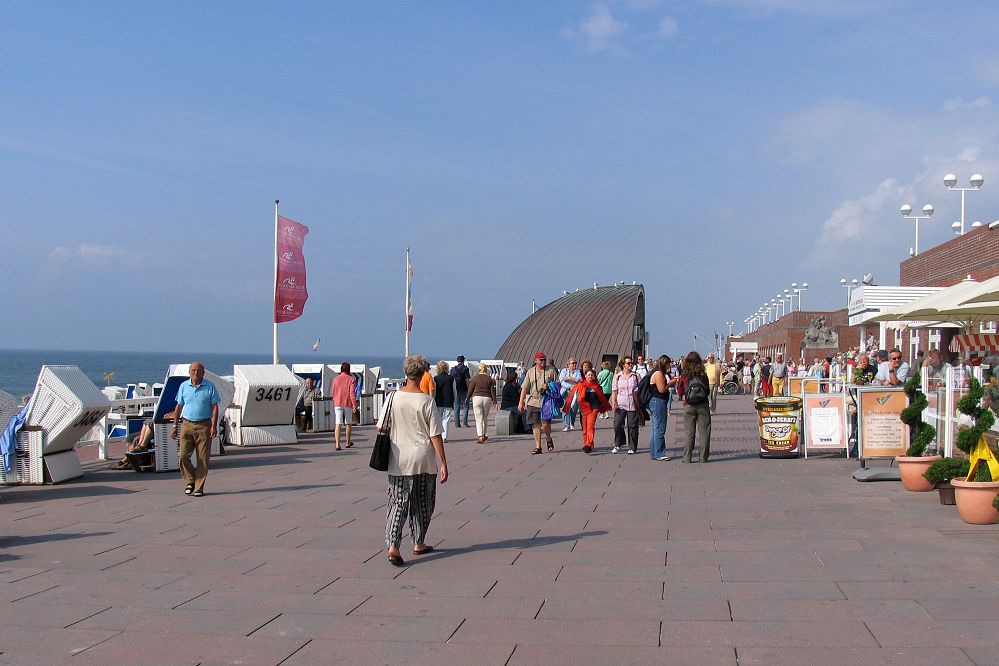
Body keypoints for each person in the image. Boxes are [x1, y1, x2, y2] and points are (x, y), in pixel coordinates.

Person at [383, 354, 448, 567]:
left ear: (406, 373)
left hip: (398, 458)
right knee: (423, 502)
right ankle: (418, 541)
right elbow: (435, 435)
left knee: (397, 502)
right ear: (422, 374)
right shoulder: (427, 401)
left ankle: (393, 545)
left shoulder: (392, 398)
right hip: (423, 459)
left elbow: (380, 427)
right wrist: (443, 463)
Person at [171, 361, 221, 497]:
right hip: (186, 424)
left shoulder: (209, 387)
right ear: (189, 372)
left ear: (203, 373)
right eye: (193, 370)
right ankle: (190, 480)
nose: (196, 373)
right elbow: (178, 406)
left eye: (199, 370)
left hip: (204, 425)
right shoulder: (183, 386)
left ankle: (199, 488)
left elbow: (215, 406)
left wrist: (214, 425)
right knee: (182, 456)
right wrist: (175, 426)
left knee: (202, 458)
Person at [562, 368, 611, 453]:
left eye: (592, 375)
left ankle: (588, 444)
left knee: (590, 427)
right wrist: (568, 406)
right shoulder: (581, 385)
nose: (590, 376)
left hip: (594, 408)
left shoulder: (597, 386)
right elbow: (572, 394)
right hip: (584, 408)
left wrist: (604, 406)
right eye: (588, 375)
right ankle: (587, 444)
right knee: (584, 428)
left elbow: (602, 398)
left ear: (594, 376)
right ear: (585, 376)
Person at [518, 352, 558, 454]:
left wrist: (549, 386)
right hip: (533, 401)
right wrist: (521, 402)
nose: (543, 361)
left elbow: (558, 385)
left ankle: (548, 438)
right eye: (541, 360)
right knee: (535, 424)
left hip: (546, 400)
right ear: (536, 361)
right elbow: (524, 388)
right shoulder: (530, 372)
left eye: (544, 359)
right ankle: (538, 446)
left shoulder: (551, 371)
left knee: (545, 423)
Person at [676, 351, 711, 463]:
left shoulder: (684, 375)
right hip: (703, 405)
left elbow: (680, 391)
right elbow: (707, 390)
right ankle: (703, 457)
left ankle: (687, 458)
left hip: (688, 405)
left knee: (689, 433)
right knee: (704, 432)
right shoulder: (703, 375)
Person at [648, 355, 677, 461]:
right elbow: (661, 390)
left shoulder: (657, 373)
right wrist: (670, 384)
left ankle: (654, 452)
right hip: (658, 401)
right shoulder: (659, 374)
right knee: (660, 428)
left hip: (655, 401)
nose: (669, 366)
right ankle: (660, 453)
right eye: (668, 364)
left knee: (655, 428)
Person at [610, 355, 640, 454]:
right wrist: (613, 401)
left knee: (632, 426)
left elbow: (638, 389)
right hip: (621, 402)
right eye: (628, 363)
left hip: (632, 403)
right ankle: (618, 443)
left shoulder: (635, 376)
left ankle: (632, 447)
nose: (630, 365)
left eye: (631, 363)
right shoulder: (617, 376)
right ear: (623, 365)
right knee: (617, 424)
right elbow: (614, 390)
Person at [466, 363, 498, 443]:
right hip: (487, 398)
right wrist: (495, 402)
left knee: (478, 418)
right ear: (486, 370)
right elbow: (492, 391)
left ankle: (480, 436)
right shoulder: (489, 379)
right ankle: (484, 434)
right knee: (484, 417)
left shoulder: (475, 378)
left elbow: (470, 390)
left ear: (479, 369)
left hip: (477, 398)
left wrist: (467, 398)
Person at [332, 362, 357, 450]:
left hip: (337, 402)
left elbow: (333, 392)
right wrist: (354, 404)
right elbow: (352, 393)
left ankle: (337, 444)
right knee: (348, 423)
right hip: (347, 402)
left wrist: (335, 400)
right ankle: (347, 442)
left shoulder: (335, 379)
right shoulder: (351, 379)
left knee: (338, 423)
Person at [432, 360, 454, 443]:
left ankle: (439, 436)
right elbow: (454, 390)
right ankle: (444, 437)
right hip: (448, 401)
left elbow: (434, 391)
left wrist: (433, 399)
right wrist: (453, 400)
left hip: (438, 401)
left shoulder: (435, 379)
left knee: (439, 419)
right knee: (446, 419)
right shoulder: (451, 378)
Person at [559, 358, 582, 432]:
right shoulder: (564, 371)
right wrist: (569, 386)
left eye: (575, 363)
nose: (574, 364)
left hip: (575, 392)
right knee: (566, 407)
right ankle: (566, 425)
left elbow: (579, 379)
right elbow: (561, 381)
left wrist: (569, 378)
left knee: (574, 408)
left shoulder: (577, 371)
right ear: (568, 364)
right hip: (566, 391)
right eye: (573, 363)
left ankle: (572, 423)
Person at [500, 369, 526, 433]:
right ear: (514, 379)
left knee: (520, 413)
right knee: (523, 412)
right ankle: (527, 428)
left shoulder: (508, 385)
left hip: (509, 405)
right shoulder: (510, 386)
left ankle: (520, 428)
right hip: (508, 406)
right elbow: (516, 398)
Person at [450, 355, 472, 428]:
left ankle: (457, 424)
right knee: (465, 406)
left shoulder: (453, 369)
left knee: (456, 407)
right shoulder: (465, 369)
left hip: (456, 390)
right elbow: (467, 380)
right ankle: (465, 423)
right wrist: (470, 391)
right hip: (464, 390)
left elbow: (451, 380)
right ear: (463, 360)